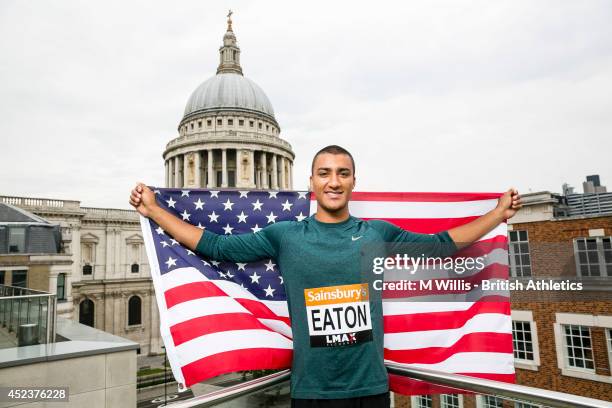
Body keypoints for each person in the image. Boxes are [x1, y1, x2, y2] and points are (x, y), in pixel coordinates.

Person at [129, 145, 521, 408]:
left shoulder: (376, 233)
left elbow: (441, 245)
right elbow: (216, 247)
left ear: (353, 181)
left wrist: (498, 215)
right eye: (325, 173)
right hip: (312, 393)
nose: (334, 181)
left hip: (370, 389)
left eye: (343, 173)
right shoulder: (285, 236)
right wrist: (154, 211)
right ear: (312, 182)